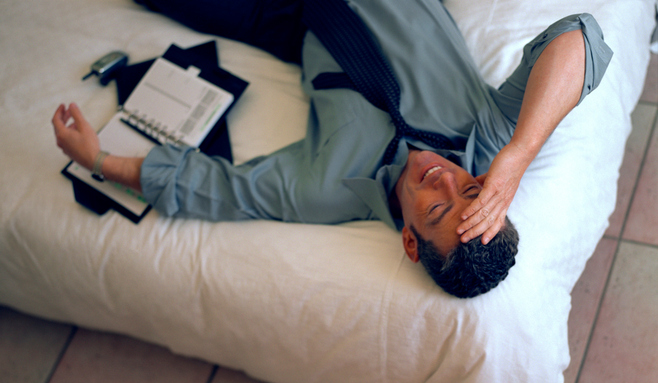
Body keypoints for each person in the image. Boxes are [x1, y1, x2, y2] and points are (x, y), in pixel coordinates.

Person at [52, 0, 612, 297]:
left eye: (438, 209)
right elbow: (581, 35)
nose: (442, 178)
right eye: (469, 188)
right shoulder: (489, 140)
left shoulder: (324, 191)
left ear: (411, 243)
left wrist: (99, 161)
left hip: (290, 13)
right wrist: (516, 156)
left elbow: (218, 189)